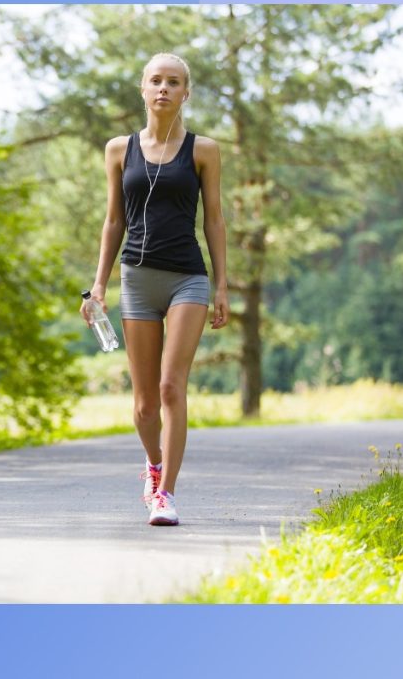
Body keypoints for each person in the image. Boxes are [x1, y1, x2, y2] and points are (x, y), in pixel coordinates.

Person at [81, 52, 229, 526]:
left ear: (186, 93)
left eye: (174, 82)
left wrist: (222, 284)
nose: (164, 88)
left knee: (171, 386)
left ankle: (165, 494)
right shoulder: (118, 149)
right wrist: (98, 285)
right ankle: (153, 463)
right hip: (138, 279)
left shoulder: (203, 150)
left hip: (188, 275)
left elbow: (214, 220)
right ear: (142, 89)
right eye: (156, 81)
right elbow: (112, 221)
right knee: (144, 404)